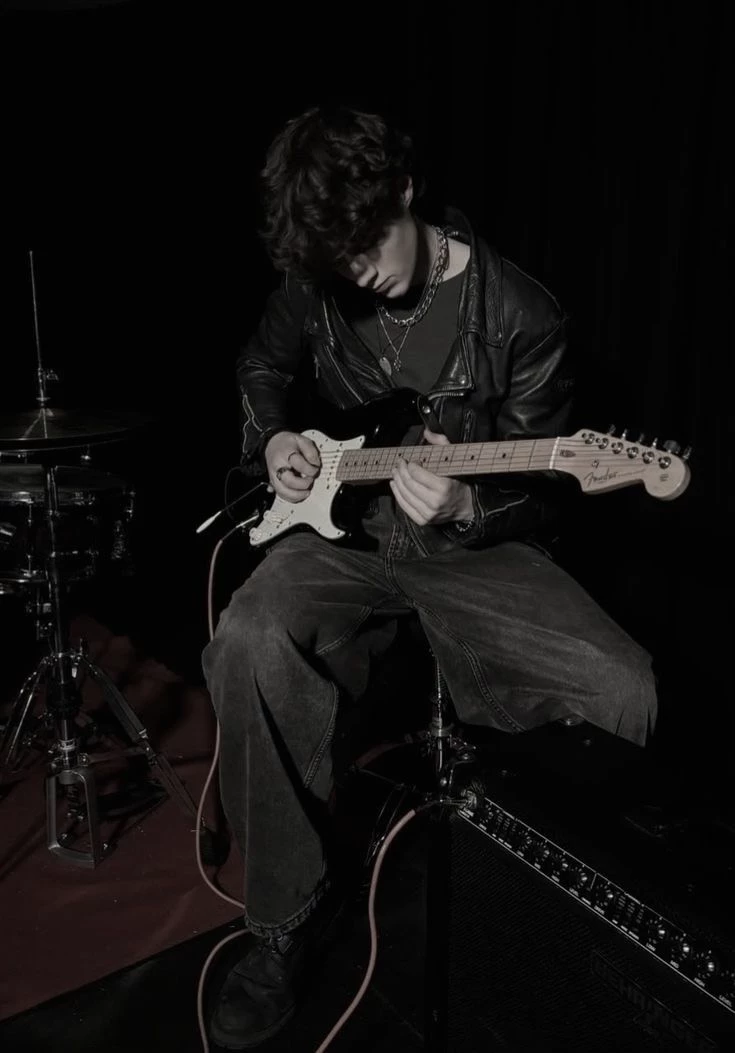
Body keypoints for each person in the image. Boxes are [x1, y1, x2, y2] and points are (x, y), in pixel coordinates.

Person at [202, 104, 657, 1049]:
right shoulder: (319, 280)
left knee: (622, 688)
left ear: (406, 191)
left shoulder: (521, 313)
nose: (358, 271)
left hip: (472, 549)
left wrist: (465, 506)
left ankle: (558, 930)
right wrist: (275, 436)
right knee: (247, 634)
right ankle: (282, 921)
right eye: (338, 260)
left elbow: (545, 492)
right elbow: (260, 364)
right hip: (348, 533)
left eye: (368, 242)